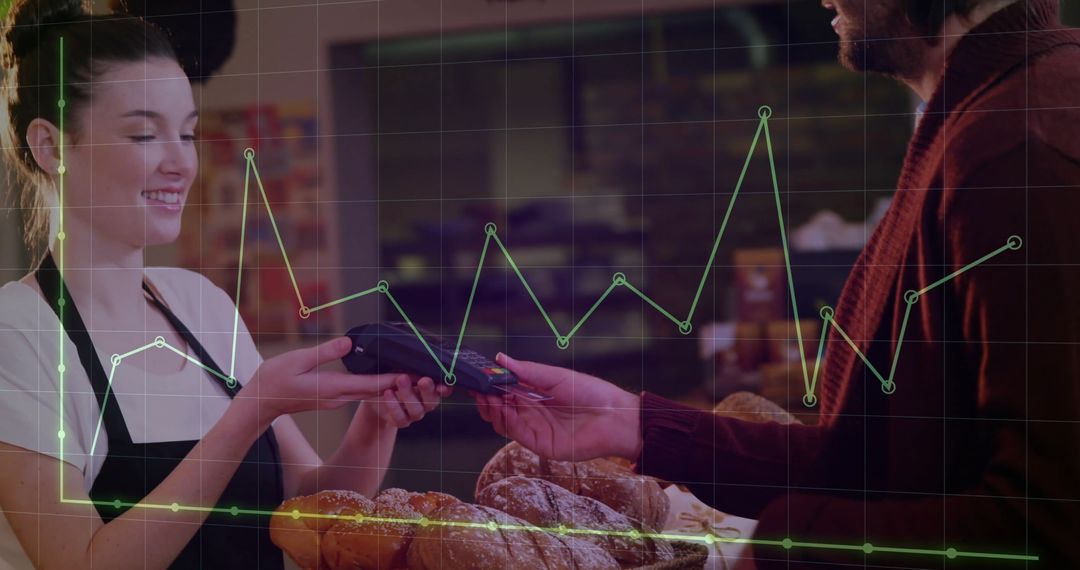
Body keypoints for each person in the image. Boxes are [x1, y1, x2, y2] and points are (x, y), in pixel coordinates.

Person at [474, 0, 1080, 567]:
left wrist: (787, 543)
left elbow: (1045, 525)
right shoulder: (983, 119)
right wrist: (630, 422)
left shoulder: (1018, 151)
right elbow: (876, 468)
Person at [0, 1, 449, 568]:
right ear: (51, 147)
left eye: (186, 134)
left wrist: (376, 420)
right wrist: (249, 413)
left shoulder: (199, 303)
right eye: (144, 135)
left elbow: (312, 507)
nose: (181, 163)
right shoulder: (16, 334)